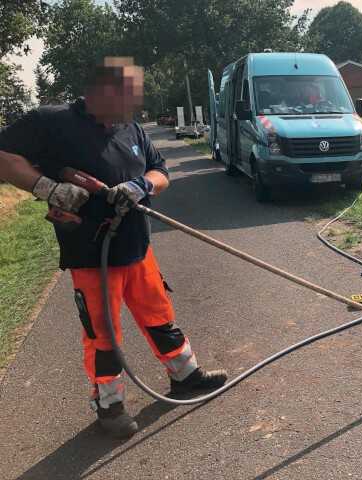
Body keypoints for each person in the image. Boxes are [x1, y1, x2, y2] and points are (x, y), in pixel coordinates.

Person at [0, 57, 228, 439]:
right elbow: (4, 157)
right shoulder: (50, 123)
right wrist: (49, 188)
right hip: (91, 255)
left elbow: (160, 171)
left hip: (138, 247)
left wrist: (143, 186)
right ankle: (109, 405)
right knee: (103, 333)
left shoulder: (130, 128)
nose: (131, 107)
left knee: (159, 315)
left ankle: (185, 375)